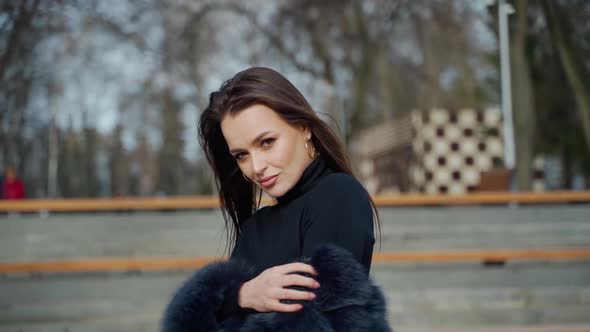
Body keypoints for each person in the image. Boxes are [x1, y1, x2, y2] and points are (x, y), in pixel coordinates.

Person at [163, 67, 390, 331]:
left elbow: (320, 321)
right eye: (241, 155)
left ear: (304, 128)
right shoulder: (256, 226)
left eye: (267, 142)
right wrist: (243, 295)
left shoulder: (338, 195)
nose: (256, 166)